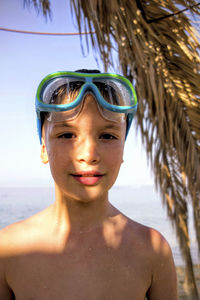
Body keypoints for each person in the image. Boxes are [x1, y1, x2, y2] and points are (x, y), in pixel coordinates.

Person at [0, 69, 178, 299]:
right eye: (66, 135)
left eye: (107, 136)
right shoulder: (9, 249)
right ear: (44, 148)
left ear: (123, 148)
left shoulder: (152, 250)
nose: (88, 154)